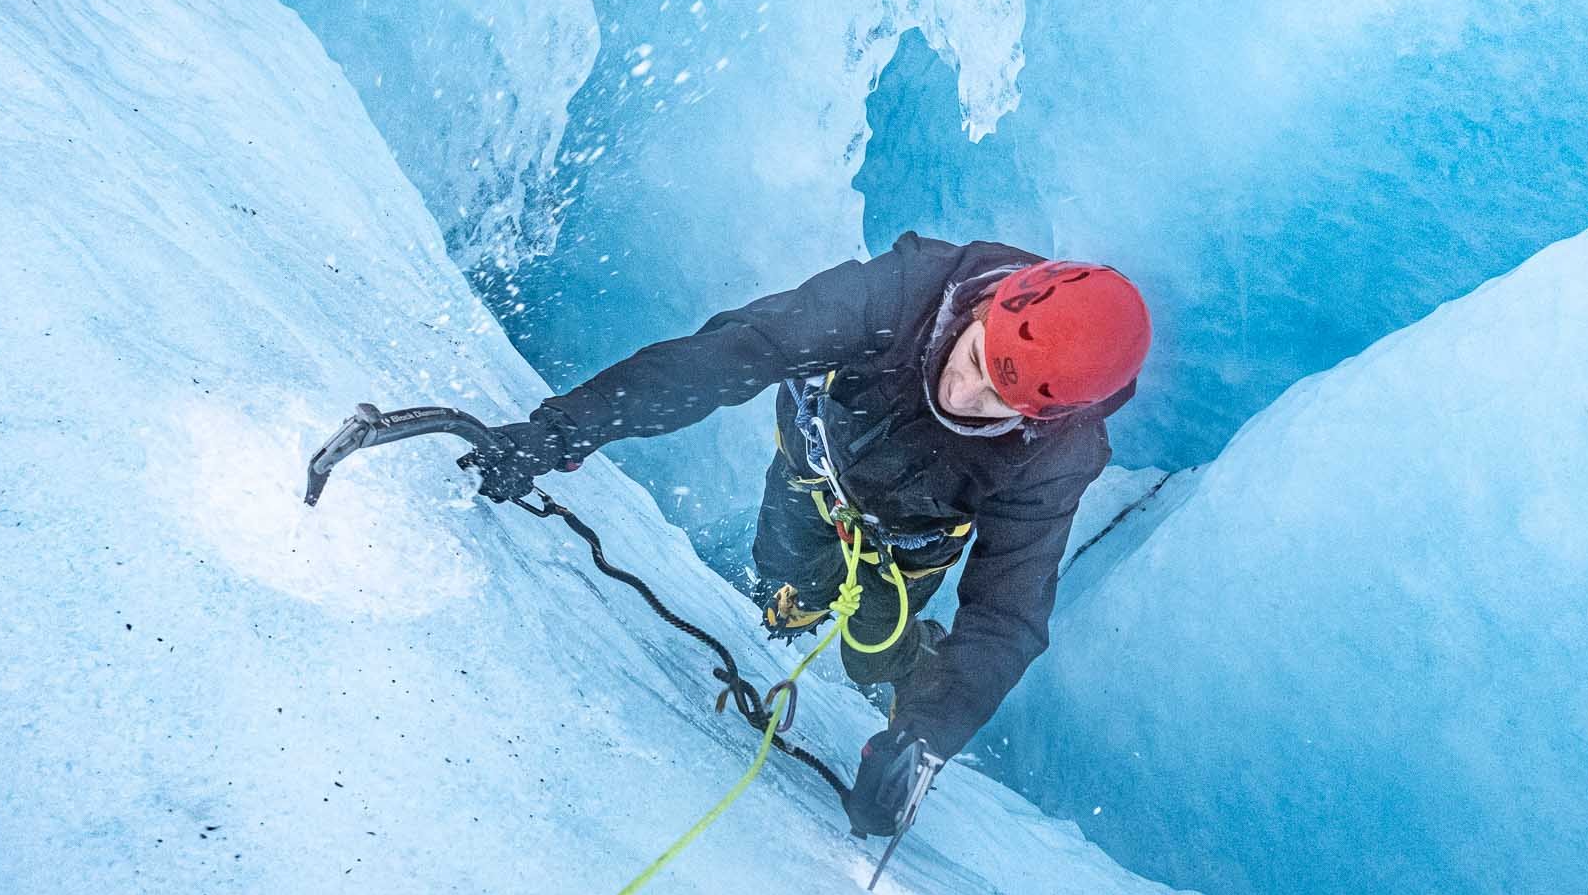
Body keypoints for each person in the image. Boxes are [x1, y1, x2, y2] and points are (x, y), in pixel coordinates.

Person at [461, 232, 1152, 838]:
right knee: (783, 575)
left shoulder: (1055, 453)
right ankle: (814, 604)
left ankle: (911, 663)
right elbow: (739, 351)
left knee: (872, 652)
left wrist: (922, 738)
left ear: (1043, 414)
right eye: (973, 361)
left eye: (998, 402)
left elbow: (1007, 610)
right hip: (816, 471)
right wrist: (561, 431)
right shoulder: (904, 292)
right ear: (981, 309)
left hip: (913, 540)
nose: (961, 395)